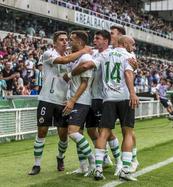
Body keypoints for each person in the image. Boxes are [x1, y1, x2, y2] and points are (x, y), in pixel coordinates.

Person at [28, 31, 92, 175]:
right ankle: (37, 164)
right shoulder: (48, 54)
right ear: (55, 43)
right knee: (42, 131)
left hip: (63, 102)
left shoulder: (71, 59)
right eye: (61, 40)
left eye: (66, 40)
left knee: (63, 135)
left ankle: (60, 157)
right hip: (46, 100)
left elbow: (70, 76)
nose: (65, 42)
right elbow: (63, 61)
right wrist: (83, 50)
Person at [69, 30, 122, 176]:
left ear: (106, 41)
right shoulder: (94, 54)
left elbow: (86, 67)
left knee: (106, 132)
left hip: (103, 98)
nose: (95, 40)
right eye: (94, 38)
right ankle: (101, 160)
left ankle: (119, 162)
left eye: (97, 38)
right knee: (91, 131)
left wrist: (70, 73)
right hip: (92, 98)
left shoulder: (111, 54)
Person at [94, 35, 139, 181]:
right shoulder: (128, 55)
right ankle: (125, 169)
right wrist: (133, 93)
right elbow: (127, 73)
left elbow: (94, 68)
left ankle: (98, 168)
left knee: (103, 133)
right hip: (125, 97)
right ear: (125, 43)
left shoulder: (104, 54)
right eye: (132, 45)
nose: (133, 48)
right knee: (127, 132)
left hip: (108, 98)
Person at [63, 30, 98, 176]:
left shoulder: (85, 57)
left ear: (80, 41)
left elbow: (84, 83)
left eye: (72, 39)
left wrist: (72, 100)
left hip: (81, 100)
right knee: (79, 133)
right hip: (77, 99)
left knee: (72, 132)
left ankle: (93, 162)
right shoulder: (77, 57)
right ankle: (83, 166)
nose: (70, 42)